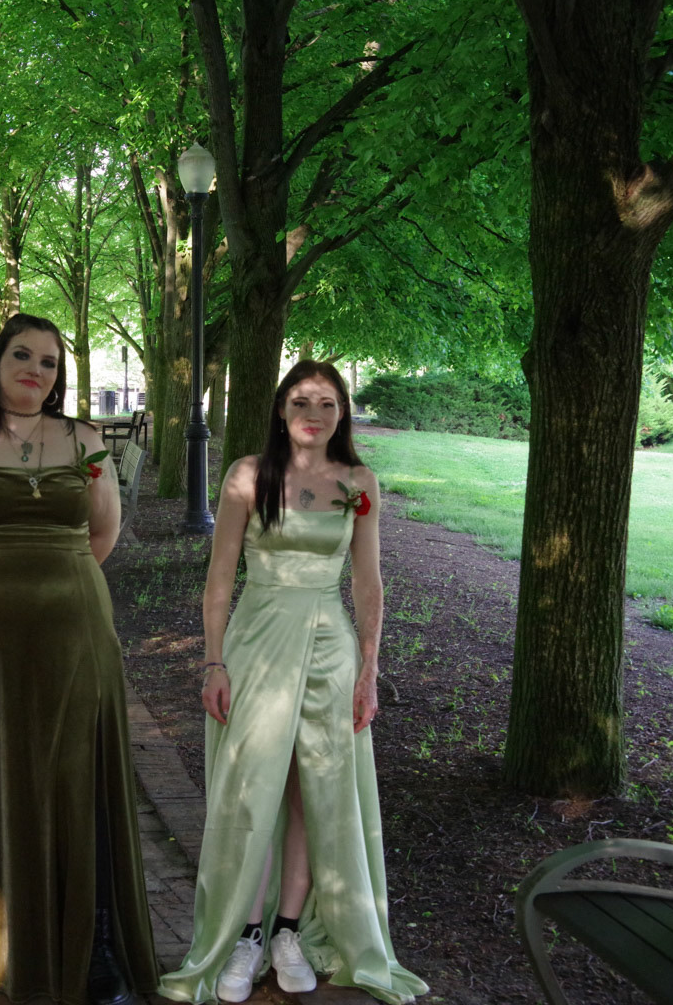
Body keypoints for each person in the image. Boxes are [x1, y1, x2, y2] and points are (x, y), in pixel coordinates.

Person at [0, 314, 157, 1005]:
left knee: (76, 773)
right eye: (22, 355)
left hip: (74, 632)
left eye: (49, 362)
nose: (35, 371)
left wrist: (54, 578)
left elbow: (102, 531)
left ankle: (93, 945)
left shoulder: (85, 440)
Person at [158, 361, 427, 1005]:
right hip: (257, 644)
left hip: (331, 651)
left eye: (328, 403)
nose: (314, 413)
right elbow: (220, 576)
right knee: (253, 788)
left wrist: (369, 669)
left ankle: (287, 931)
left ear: (343, 414)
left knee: (315, 787)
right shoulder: (248, 475)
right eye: (301, 401)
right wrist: (213, 661)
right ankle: (245, 934)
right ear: (281, 409)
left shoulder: (359, 482)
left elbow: (368, 583)